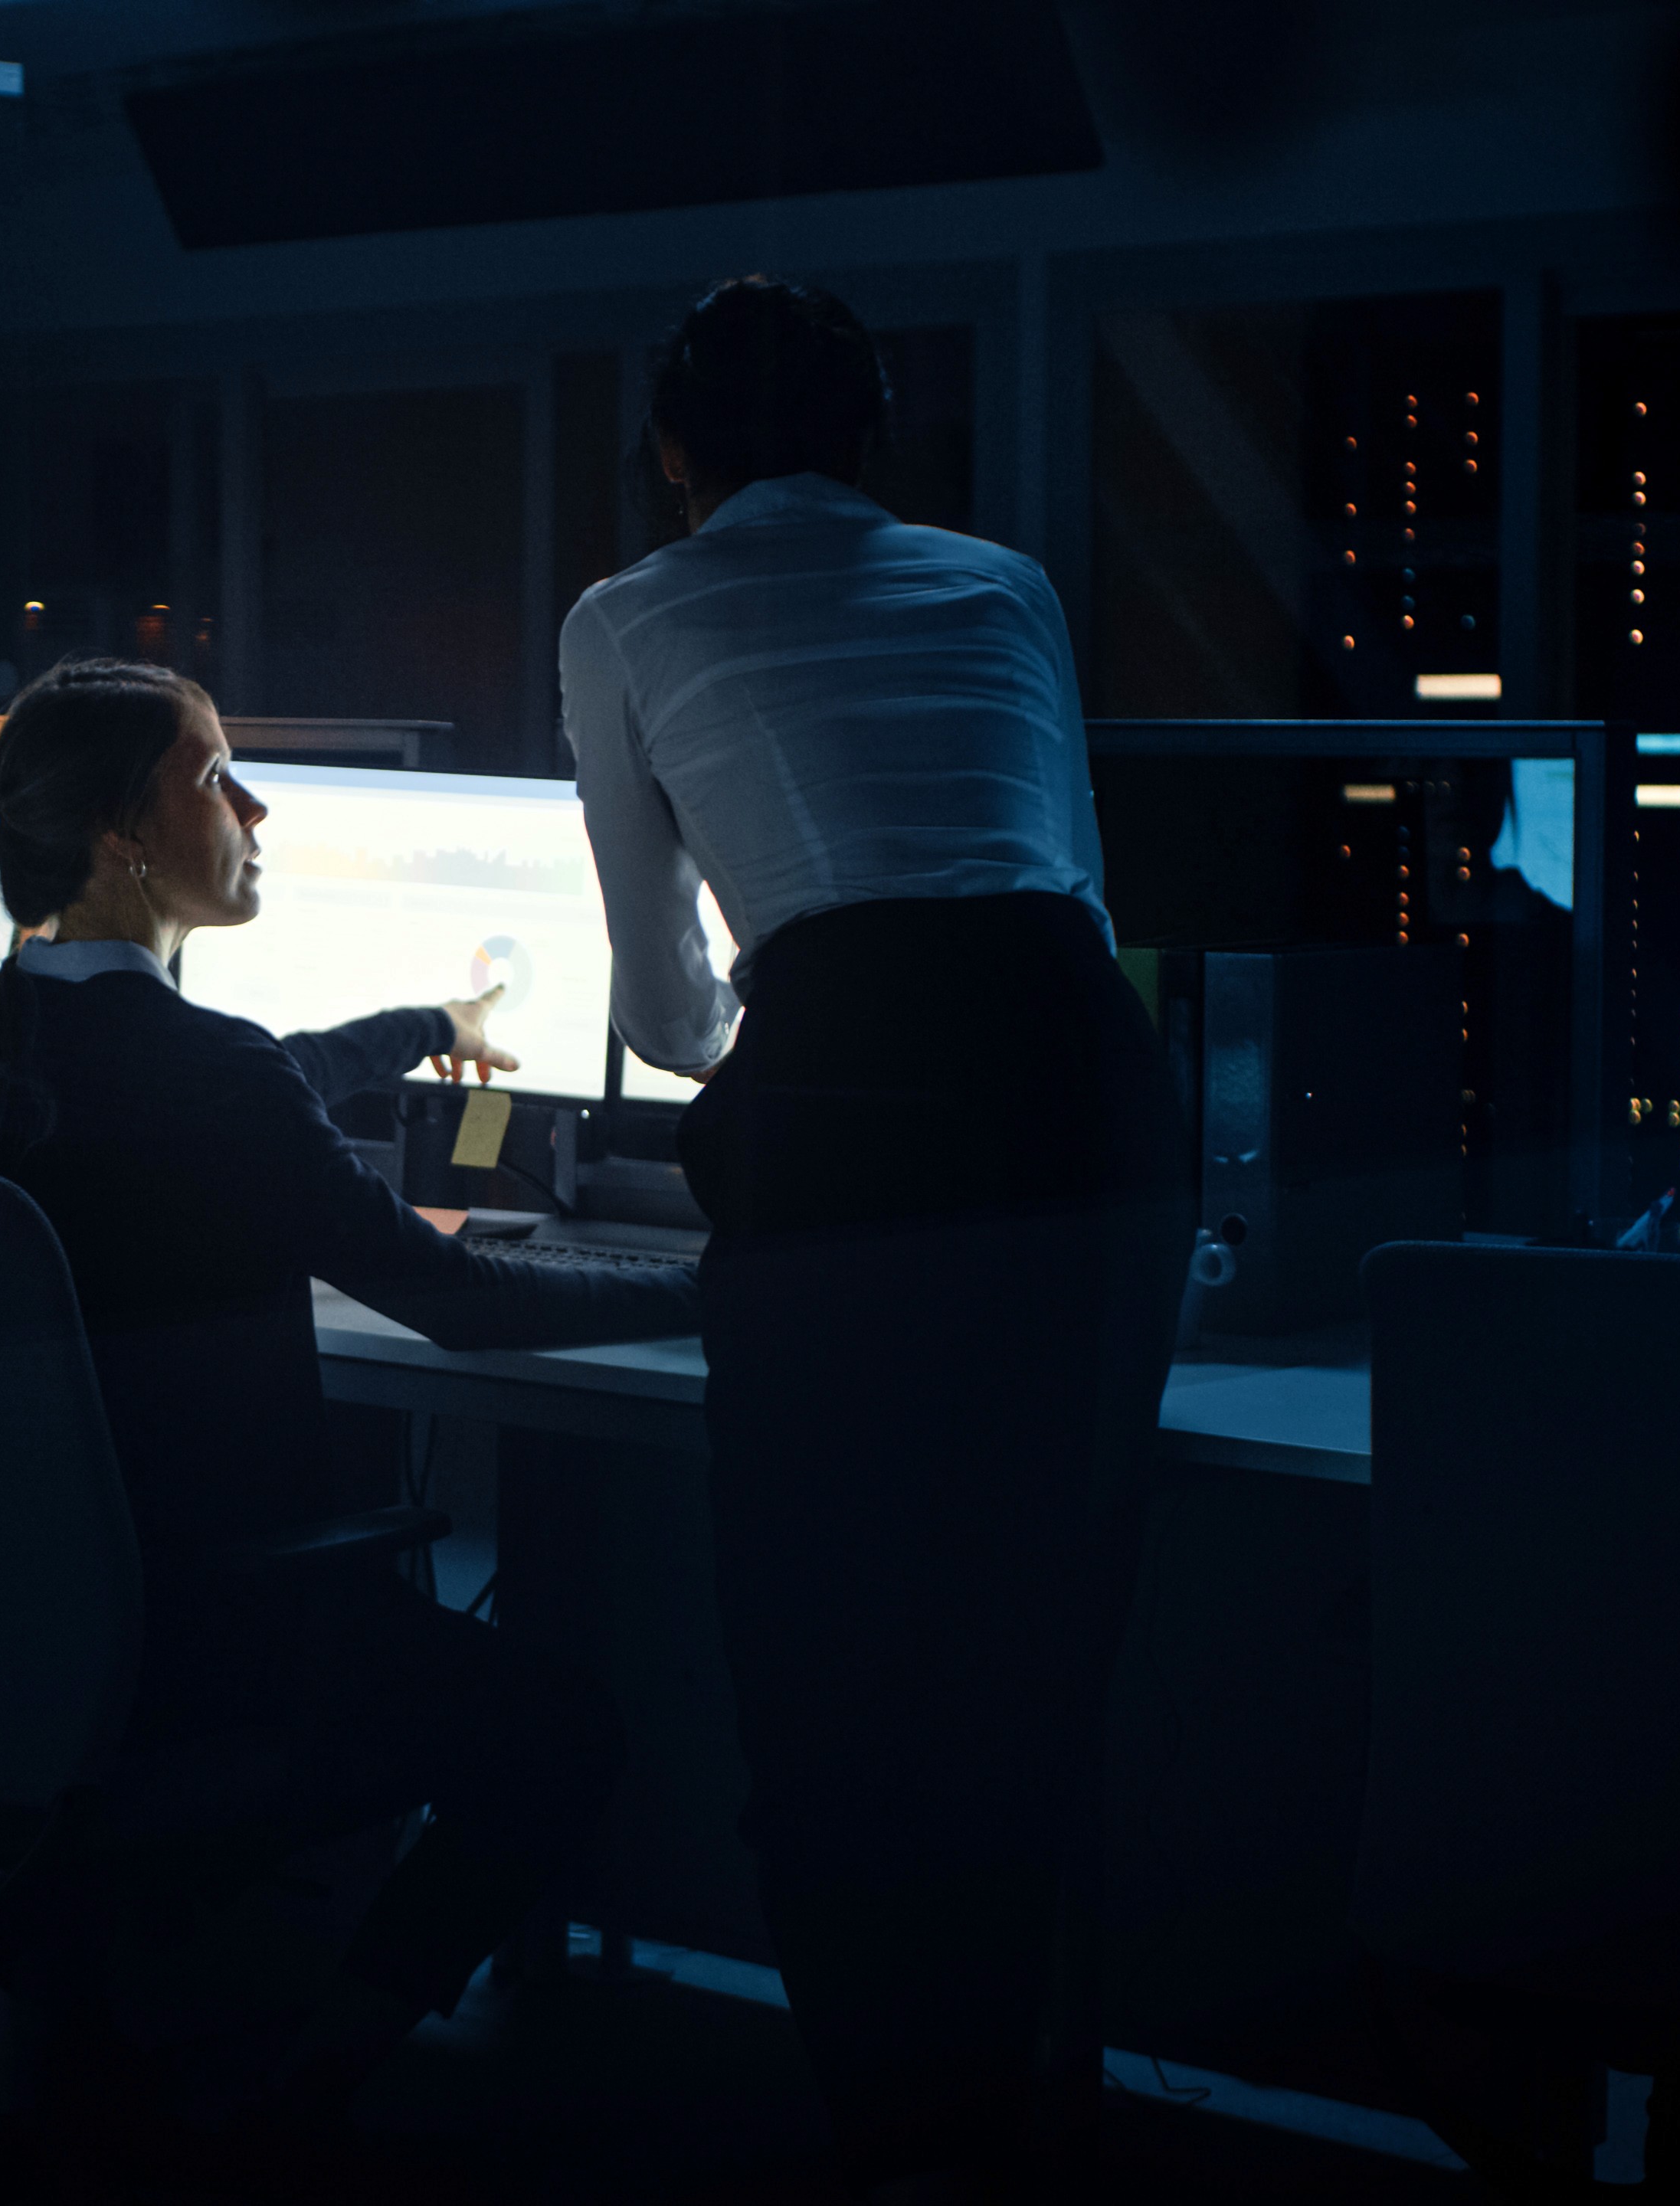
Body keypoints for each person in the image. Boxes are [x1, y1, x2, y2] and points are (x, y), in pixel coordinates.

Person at [0, 655, 696, 2123]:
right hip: (211, 1647)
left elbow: (243, 1083)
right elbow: (458, 1304)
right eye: (216, 774)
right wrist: (703, 1285)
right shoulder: (203, 1076)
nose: (257, 805)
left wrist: (417, 1025)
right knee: (566, 1736)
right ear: (125, 835)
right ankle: (307, 2090)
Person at [562, 277, 1189, 2201]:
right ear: (873, 440)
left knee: (830, 1690)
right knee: (1020, 1665)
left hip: (848, 1106)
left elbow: (667, 1014)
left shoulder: (626, 615)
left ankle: (890, 2146)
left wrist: (771, 1013)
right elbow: (1065, 876)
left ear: (673, 453)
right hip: (1087, 1097)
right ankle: (998, 2130)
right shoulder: (1005, 588)